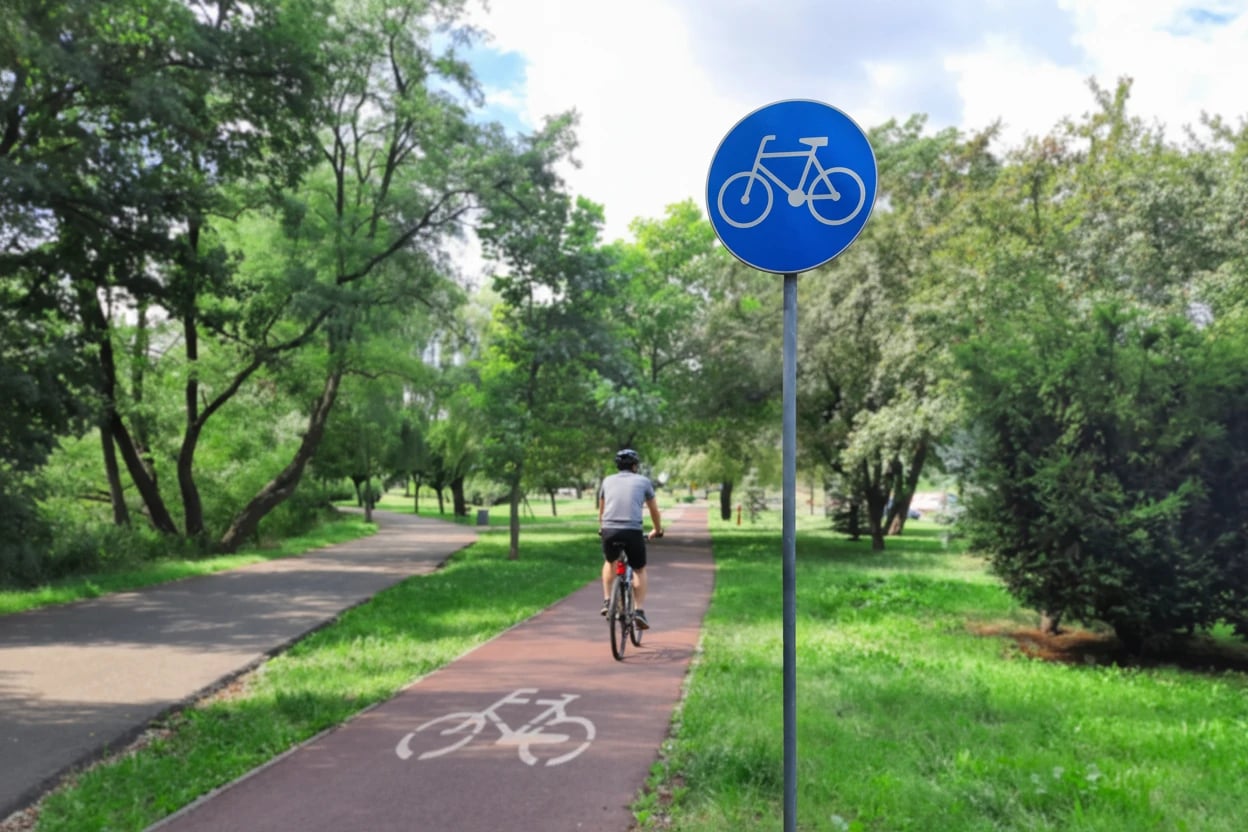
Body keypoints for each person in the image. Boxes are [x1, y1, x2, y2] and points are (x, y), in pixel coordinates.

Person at [598, 448, 663, 628]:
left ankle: (607, 600)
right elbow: (654, 510)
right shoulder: (643, 481)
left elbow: (602, 510)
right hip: (632, 530)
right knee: (639, 569)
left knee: (610, 561)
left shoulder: (607, 481)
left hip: (609, 529)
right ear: (635, 466)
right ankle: (639, 611)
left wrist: (601, 528)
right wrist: (657, 530)